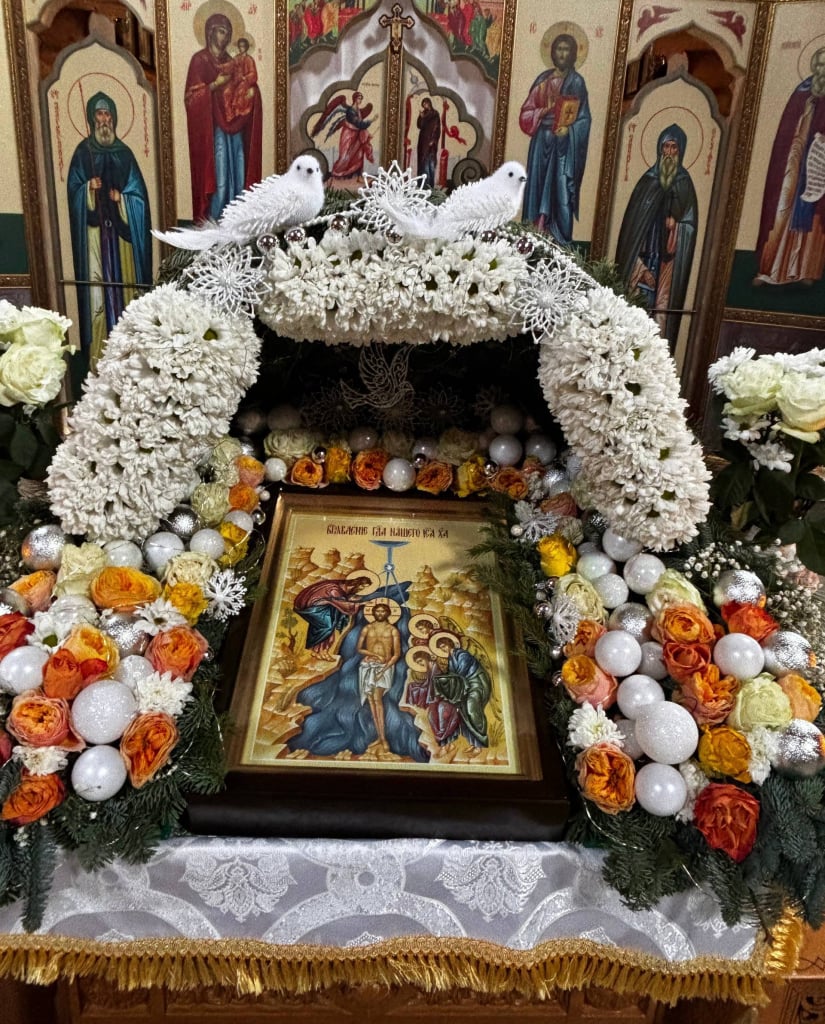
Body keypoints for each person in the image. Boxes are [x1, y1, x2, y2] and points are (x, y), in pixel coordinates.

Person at [66, 92, 152, 360]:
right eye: (99, 114)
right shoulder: (83, 153)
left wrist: (123, 199)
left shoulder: (124, 154)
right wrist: (87, 190)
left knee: (125, 293)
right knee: (98, 297)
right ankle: (99, 356)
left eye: (107, 114)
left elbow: (140, 197)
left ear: (113, 118)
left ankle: (130, 354)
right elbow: (73, 192)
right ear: (92, 119)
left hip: (122, 240)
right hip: (95, 237)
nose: (104, 120)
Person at [615, 123, 698, 348]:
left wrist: (677, 225)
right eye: (666, 147)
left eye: (674, 147)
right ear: (659, 149)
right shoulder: (647, 181)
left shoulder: (685, 183)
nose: (669, 153)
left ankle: (655, 351)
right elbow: (633, 227)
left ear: (681, 150)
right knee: (637, 306)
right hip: (643, 256)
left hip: (667, 261)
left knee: (660, 309)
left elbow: (690, 223)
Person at [754, 47, 825, 288]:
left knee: (812, 215)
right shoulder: (801, 91)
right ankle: (770, 269)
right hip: (793, 160)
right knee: (781, 208)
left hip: (817, 165)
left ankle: (804, 270)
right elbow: (787, 129)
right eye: (819, 64)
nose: (822, 70)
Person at [184, 13, 263, 222]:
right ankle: (215, 220)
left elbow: (244, 83)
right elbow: (190, 98)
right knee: (220, 175)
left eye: (227, 32)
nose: (225, 36)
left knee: (238, 169)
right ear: (210, 33)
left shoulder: (233, 61)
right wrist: (213, 85)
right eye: (221, 31)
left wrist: (252, 93)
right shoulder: (200, 60)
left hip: (234, 124)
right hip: (213, 131)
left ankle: (236, 219)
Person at [519, 33, 591, 245]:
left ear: (573, 54)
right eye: (559, 49)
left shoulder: (577, 82)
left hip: (564, 148)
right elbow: (526, 113)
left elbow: (584, 119)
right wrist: (543, 112)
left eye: (566, 49)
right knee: (537, 186)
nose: (562, 54)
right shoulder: (543, 80)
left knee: (561, 189)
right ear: (552, 52)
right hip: (541, 142)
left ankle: (559, 240)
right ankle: (534, 234)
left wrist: (569, 131)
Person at [430, 633, 491, 751]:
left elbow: (460, 672)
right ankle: (474, 743)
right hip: (464, 687)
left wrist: (446, 678)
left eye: (444, 646)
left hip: (475, 684)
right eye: (441, 648)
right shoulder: (451, 659)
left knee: (472, 709)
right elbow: (454, 677)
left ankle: (480, 744)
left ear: (450, 644)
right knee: (463, 713)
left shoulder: (463, 655)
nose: (443, 649)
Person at [356, 603, 401, 752]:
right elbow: (359, 648)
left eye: (383, 611)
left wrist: (384, 670)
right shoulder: (367, 628)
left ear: (388, 613)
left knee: (377, 700)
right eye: (378, 611)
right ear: (373, 613)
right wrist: (373, 655)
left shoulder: (392, 630)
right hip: (367, 666)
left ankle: (384, 739)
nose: (380, 613)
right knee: (372, 703)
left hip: (384, 667)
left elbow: (396, 654)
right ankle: (379, 738)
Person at [293, 575, 372, 660]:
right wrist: (360, 604)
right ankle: (318, 651)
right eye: (362, 586)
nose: (362, 589)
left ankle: (322, 652)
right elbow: (341, 603)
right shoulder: (334, 589)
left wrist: (351, 599)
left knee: (329, 627)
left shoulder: (343, 587)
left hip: (324, 607)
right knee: (327, 627)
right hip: (313, 608)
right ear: (357, 583)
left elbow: (340, 600)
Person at [312, 91, 375, 182]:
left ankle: (357, 177)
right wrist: (371, 121)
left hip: (356, 135)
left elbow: (360, 125)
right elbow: (358, 123)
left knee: (358, 155)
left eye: (361, 99)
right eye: (359, 98)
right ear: (354, 99)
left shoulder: (358, 111)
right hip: (348, 135)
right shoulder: (350, 111)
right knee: (345, 156)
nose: (360, 100)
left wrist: (367, 134)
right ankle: (337, 174)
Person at [226, 38, 258, 121]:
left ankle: (238, 114)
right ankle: (230, 115)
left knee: (240, 92)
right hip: (235, 81)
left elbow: (253, 74)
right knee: (227, 92)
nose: (241, 48)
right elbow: (230, 67)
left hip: (245, 82)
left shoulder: (249, 59)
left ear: (246, 47)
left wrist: (245, 77)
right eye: (240, 46)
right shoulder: (236, 58)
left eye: (243, 46)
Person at [416, 98, 441, 188]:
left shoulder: (435, 113)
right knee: (422, 161)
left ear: (429, 103)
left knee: (430, 162)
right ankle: (422, 184)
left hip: (431, 142)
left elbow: (436, 128)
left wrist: (433, 140)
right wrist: (420, 117)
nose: (424, 106)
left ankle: (429, 184)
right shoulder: (424, 113)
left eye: (425, 104)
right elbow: (419, 125)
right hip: (423, 140)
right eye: (423, 104)